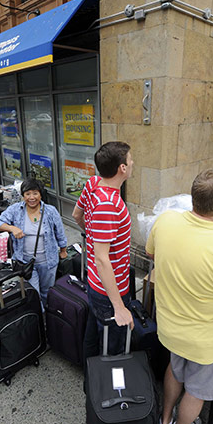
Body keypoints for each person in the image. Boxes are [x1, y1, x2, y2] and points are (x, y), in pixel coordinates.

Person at [146, 168, 213, 424]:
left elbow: (150, 251)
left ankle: (165, 420)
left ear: (193, 198)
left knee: (174, 370)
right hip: (206, 342)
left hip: (170, 328)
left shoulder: (165, 220)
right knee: (197, 390)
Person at [72, 141, 134, 358]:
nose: (133, 162)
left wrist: (95, 235)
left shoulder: (93, 183)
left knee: (94, 332)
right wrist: (119, 307)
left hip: (97, 283)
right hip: (110, 289)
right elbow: (101, 259)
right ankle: (105, 386)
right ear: (122, 168)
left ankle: (90, 377)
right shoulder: (108, 205)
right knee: (112, 347)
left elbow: (76, 215)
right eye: (130, 159)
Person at [0, 179, 68, 307]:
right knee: (34, 294)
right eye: (27, 194)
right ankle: (38, 318)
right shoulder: (15, 210)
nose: (31, 197)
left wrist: (63, 250)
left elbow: (60, 233)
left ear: (41, 194)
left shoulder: (50, 211)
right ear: (23, 195)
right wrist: (12, 228)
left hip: (48, 262)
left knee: (47, 292)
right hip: (26, 263)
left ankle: (47, 319)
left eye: (35, 193)